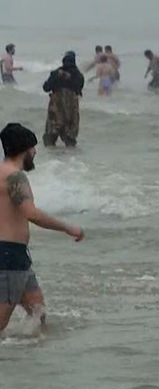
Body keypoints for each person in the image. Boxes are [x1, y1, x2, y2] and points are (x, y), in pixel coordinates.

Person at [0, 123, 85, 334]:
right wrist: (67, 227)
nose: (35, 152)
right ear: (24, 149)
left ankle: (29, 360)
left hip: (16, 257)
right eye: (33, 148)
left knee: (38, 314)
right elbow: (32, 213)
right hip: (9, 257)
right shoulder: (15, 177)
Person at [41, 52, 84, 148]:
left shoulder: (56, 73)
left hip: (55, 108)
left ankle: (50, 159)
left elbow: (46, 87)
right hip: (71, 109)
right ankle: (71, 160)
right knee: (70, 137)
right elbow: (79, 88)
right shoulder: (78, 75)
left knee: (51, 136)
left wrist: (58, 77)